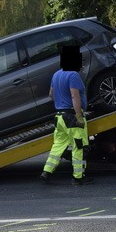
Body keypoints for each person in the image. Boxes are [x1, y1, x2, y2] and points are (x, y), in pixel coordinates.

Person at [41, 45, 93, 185]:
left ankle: (47, 171)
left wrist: (61, 104)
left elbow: (51, 94)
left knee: (58, 145)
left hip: (59, 117)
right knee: (79, 147)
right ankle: (78, 177)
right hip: (72, 117)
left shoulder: (56, 75)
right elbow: (74, 97)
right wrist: (78, 116)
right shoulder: (73, 75)